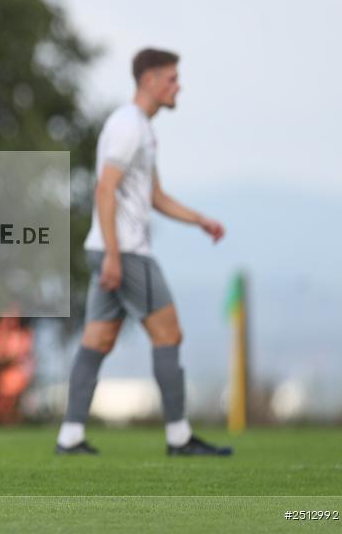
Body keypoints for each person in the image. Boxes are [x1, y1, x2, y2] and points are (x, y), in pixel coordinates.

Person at [56, 48, 232, 456]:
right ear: (149, 80)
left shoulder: (144, 129)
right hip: (127, 253)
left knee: (97, 341)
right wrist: (116, 256)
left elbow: (155, 196)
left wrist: (200, 220)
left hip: (110, 250)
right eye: (171, 78)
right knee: (169, 333)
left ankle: (70, 437)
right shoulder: (128, 126)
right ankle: (179, 438)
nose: (178, 86)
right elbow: (105, 188)